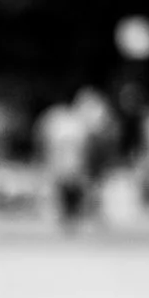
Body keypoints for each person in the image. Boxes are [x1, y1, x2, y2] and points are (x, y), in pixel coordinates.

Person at [35, 96, 97, 230]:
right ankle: (66, 219)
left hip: (68, 162)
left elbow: (86, 147)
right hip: (63, 162)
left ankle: (73, 218)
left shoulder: (64, 119)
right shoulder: (60, 119)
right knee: (62, 193)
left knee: (72, 193)